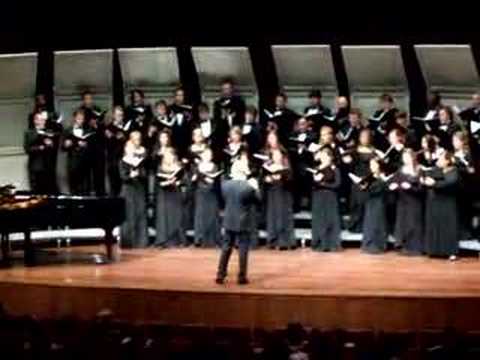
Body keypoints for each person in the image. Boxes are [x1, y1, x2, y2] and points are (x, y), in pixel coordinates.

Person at [216, 155, 260, 285]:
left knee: (226, 247)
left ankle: (220, 274)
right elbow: (258, 200)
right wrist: (255, 187)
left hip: (229, 219)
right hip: (243, 221)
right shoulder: (247, 186)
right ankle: (241, 277)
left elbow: (224, 200)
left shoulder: (225, 185)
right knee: (242, 249)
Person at [422, 151, 459, 260]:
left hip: (447, 203)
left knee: (448, 227)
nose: (438, 161)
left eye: (441, 159)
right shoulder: (435, 169)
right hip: (435, 202)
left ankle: (450, 251)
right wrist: (426, 180)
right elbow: (427, 175)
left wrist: (434, 184)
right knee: (435, 225)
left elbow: (450, 182)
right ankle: (433, 250)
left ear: (447, 161)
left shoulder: (453, 170)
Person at [388, 149, 424, 255]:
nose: (405, 160)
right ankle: (404, 246)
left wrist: (410, 188)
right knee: (403, 223)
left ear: (412, 157)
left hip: (415, 201)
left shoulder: (419, 170)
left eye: (407, 157)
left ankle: (415, 247)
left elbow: (422, 188)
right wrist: (393, 186)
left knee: (414, 223)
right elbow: (393, 181)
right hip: (403, 201)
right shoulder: (401, 170)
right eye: (404, 158)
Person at [342, 129, 378, 232]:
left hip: (369, 179)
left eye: (366, 136)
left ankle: (367, 226)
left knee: (367, 203)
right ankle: (355, 226)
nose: (364, 138)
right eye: (362, 136)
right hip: (357, 179)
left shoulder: (375, 151)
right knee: (356, 204)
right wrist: (347, 161)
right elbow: (348, 164)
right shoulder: (354, 151)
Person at [119, 131, 148, 248]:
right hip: (128, 190)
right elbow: (122, 176)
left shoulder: (139, 160)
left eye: (132, 148)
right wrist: (130, 176)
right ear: (125, 149)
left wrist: (138, 173)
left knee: (140, 213)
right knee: (129, 214)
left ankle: (141, 241)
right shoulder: (122, 161)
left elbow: (144, 175)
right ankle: (128, 241)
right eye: (128, 148)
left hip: (138, 189)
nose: (131, 150)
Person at [311, 147, 342, 251]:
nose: (324, 157)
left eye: (326, 155)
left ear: (330, 157)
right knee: (319, 220)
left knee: (330, 220)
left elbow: (337, 184)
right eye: (322, 155)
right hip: (318, 197)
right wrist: (315, 181)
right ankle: (319, 242)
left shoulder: (335, 169)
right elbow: (312, 185)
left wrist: (323, 184)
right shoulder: (316, 168)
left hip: (330, 197)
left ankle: (331, 243)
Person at [263, 149, 295, 250]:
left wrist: (281, 177)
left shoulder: (286, 168)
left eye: (278, 156)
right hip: (272, 194)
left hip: (283, 195)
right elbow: (263, 179)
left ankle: (284, 241)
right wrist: (267, 179)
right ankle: (273, 240)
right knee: (273, 216)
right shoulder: (269, 167)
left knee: (283, 217)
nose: (277, 158)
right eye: (275, 156)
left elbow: (291, 180)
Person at [154, 147, 186, 248]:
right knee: (164, 216)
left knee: (176, 216)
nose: (169, 158)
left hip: (175, 193)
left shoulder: (178, 167)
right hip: (164, 194)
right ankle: (163, 240)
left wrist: (178, 182)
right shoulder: (160, 167)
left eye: (170, 156)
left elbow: (184, 181)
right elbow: (158, 181)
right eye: (167, 156)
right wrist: (166, 182)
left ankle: (177, 240)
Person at [192, 148, 222, 247]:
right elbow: (193, 181)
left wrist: (213, 180)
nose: (207, 156)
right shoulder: (197, 167)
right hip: (201, 193)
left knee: (213, 214)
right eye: (205, 154)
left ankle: (214, 239)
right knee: (200, 215)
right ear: (202, 155)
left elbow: (217, 180)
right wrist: (195, 178)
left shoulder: (215, 166)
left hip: (212, 193)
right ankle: (199, 239)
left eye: (209, 155)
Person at [23, 112, 58, 194]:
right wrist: (40, 147)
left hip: (48, 166)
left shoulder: (49, 131)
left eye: (43, 120)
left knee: (48, 191)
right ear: (35, 121)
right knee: (36, 191)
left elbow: (54, 148)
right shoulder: (29, 133)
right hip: (36, 166)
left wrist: (50, 144)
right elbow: (27, 149)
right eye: (40, 120)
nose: (43, 122)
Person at [360, 157, 389, 254]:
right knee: (369, 223)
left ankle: (378, 245)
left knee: (377, 223)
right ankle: (368, 244)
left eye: (374, 165)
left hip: (379, 203)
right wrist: (363, 187)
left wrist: (367, 187)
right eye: (370, 165)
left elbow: (380, 189)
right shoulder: (369, 177)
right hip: (370, 202)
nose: (371, 167)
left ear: (379, 166)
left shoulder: (382, 177)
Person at [62, 110, 93, 195]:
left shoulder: (88, 130)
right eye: (78, 118)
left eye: (82, 119)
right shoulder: (67, 131)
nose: (80, 121)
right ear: (74, 118)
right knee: (73, 187)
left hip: (85, 162)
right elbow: (62, 147)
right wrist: (67, 144)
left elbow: (93, 147)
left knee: (86, 188)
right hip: (73, 162)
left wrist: (86, 145)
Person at [213, 78, 246, 149]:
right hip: (222, 134)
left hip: (236, 133)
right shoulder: (218, 103)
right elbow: (216, 119)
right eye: (224, 89)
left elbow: (242, 118)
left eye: (228, 88)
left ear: (232, 89)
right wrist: (223, 116)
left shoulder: (239, 102)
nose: (226, 91)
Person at [105, 106, 127, 196]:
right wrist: (114, 137)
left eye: (121, 115)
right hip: (113, 159)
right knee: (114, 184)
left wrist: (124, 137)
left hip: (125, 158)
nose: (119, 117)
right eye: (118, 115)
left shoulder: (127, 127)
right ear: (113, 115)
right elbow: (106, 144)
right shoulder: (108, 128)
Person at [169, 87, 193, 156]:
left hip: (186, 139)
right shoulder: (170, 109)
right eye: (178, 95)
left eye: (181, 95)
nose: (179, 97)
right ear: (174, 96)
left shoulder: (189, 109)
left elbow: (191, 124)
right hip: (173, 139)